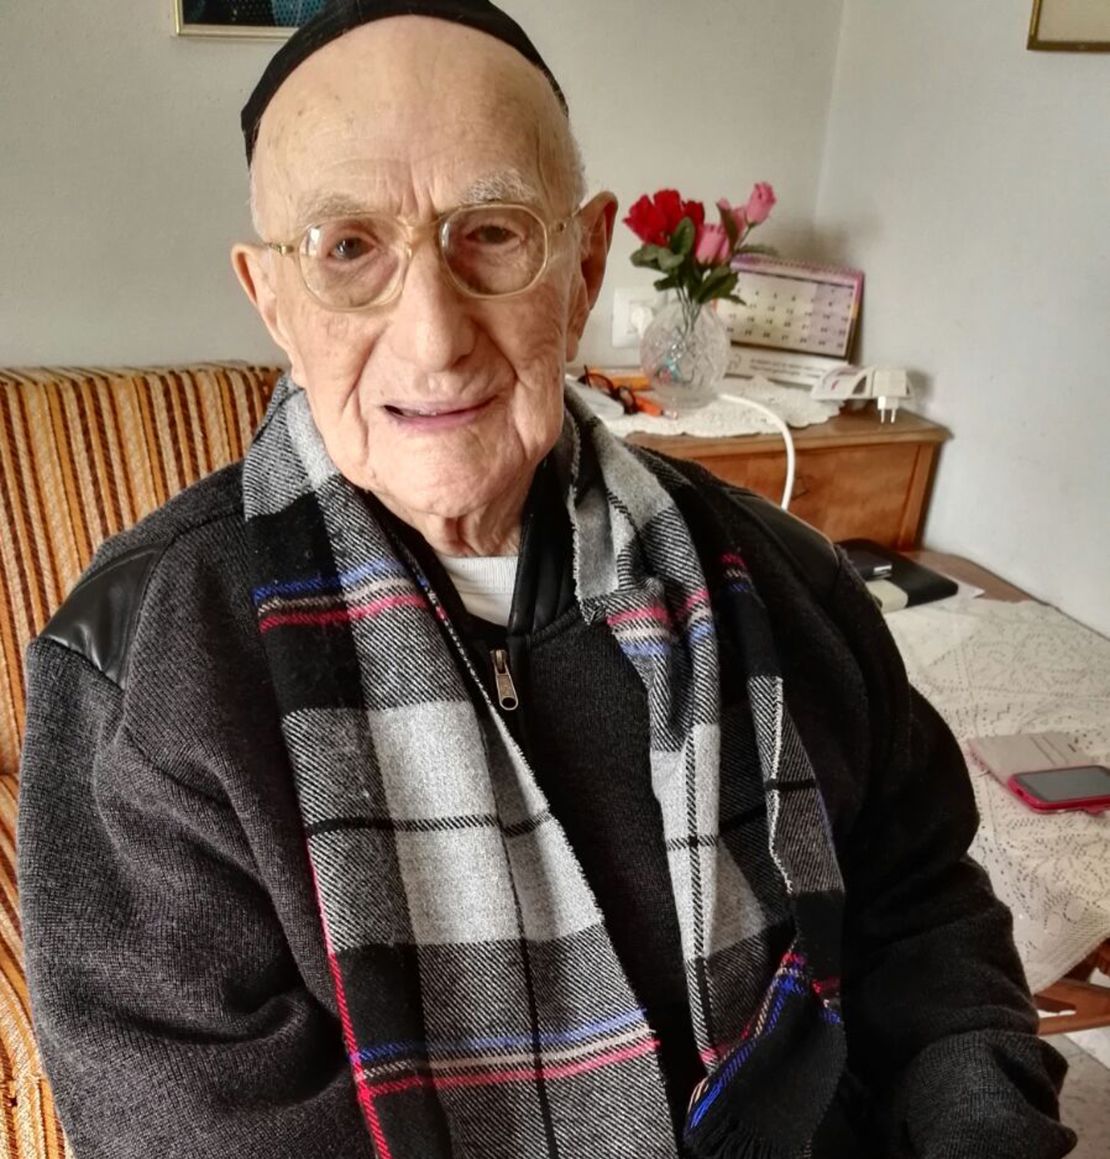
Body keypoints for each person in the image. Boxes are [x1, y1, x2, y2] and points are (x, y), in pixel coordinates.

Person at [17, 2, 1076, 1157]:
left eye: (493, 232)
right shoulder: (136, 665)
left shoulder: (789, 581)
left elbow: (923, 915)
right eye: (348, 248)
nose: (433, 338)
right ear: (271, 297)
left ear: (582, 261)